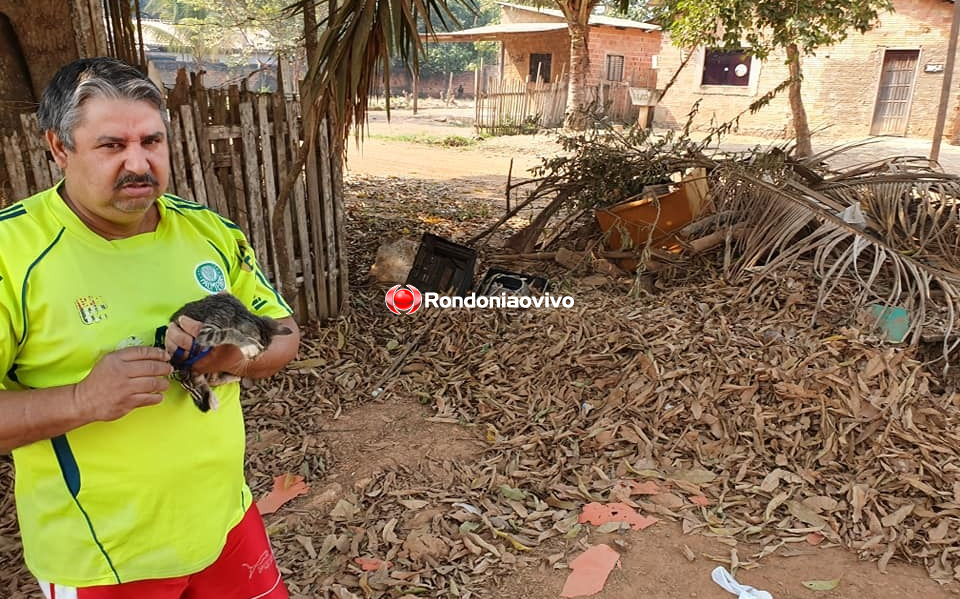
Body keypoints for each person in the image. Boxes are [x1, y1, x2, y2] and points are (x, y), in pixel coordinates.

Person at [0, 57, 301, 598]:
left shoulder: (208, 231)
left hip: (226, 521)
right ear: (58, 148)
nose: (138, 164)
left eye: (152, 142)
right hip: (104, 559)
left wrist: (232, 358)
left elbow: (283, 332)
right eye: (112, 145)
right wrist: (82, 399)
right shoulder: (11, 256)